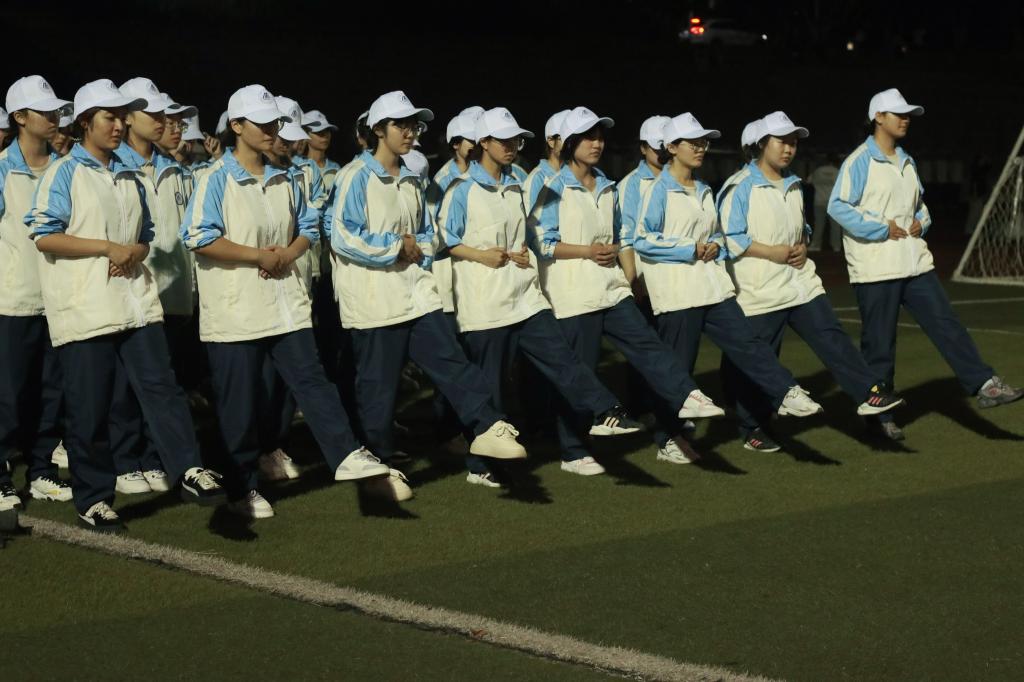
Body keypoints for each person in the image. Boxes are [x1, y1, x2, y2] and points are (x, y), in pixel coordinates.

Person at [181, 84, 390, 518]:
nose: (271, 130)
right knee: (239, 407)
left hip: (284, 305)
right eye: (261, 123)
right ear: (237, 126)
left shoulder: (287, 178)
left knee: (312, 380)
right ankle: (241, 488)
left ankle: (346, 452)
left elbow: (309, 226)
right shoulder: (215, 179)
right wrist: (258, 256)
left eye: (273, 122)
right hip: (235, 311)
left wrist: (287, 254)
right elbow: (198, 236)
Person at [28, 78, 227, 532]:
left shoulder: (127, 173)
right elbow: (44, 234)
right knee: (90, 408)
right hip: (85, 308)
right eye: (109, 118)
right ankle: (94, 498)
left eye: (121, 117)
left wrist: (134, 250)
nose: (118, 126)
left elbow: (146, 234)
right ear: (84, 122)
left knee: (162, 388)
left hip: (135, 303)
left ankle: (188, 468)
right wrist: (107, 248)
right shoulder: (65, 172)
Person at [330, 90, 528, 496]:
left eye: (413, 125)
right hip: (374, 303)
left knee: (453, 362)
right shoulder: (355, 176)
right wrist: (395, 247)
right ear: (378, 130)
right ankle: (379, 469)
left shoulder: (410, 178)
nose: (410, 132)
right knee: (379, 393)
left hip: (416, 294)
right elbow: (342, 235)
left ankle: (488, 424)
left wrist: (416, 246)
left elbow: (427, 232)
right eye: (401, 125)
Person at [440, 107, 643, 486]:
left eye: (516, 140)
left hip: (525, 296)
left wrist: (522, 252)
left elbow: (533, 235)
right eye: (503, 140)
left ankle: (604, 411)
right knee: (490, 386)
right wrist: (481, 255)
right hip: (484, 303)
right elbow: (445, 239)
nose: (512, 146)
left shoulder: (517, 185)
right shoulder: (461, 189)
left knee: (561, 356)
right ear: (483, 142)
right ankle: (479, 465)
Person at [530, 106, 726, 475]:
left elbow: (622, 235)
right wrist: (588, 251)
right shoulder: (552, 188)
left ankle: (685, 394)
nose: (597, 144)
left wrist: (628, 272)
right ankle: (573, 451)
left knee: (647, 343)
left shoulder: (607, 186)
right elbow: (542, 241)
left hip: (612, 287)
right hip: (573, 294)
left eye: (599, 137)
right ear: (569, 143)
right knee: (582, 371)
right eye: (588, 137)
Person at [828, 88, 1022, 441]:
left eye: (908, 115)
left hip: (915, 263)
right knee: (879, 347)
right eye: (898, 114)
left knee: (947, 324)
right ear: (878, 118)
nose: (905, 119)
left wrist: (923, 220)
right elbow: (838, 206)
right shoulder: (859, 161)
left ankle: (985, 384)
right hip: (876, 268)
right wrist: (880, 227)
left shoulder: (907, 160)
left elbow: (920, 206)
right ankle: (880, 415)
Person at [635, 112, 825, 457]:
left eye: (703, 142)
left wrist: (714, 246)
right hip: (678, 294)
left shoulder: (704, 189)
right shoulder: (657, 190)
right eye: (693, 143)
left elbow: (720, 236)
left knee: (747, 341)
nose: (701, 148)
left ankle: (785, 392)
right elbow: (643, 240)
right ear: (672, 147)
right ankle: (667, 438)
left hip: (713, 287)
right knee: (678, 367)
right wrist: (690, 248)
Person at [718, 111, 904, 452]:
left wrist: (803, 245)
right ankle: (752, 427)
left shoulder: (793, 183)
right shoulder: (739, 187)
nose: (789, 148)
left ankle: (869, 394)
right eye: (781, 141)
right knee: (761, 361)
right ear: (762, 144)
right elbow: (729, 237)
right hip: (759, 290)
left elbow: (800, 227)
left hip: (800, 283)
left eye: (793, 142)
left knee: (832, 336)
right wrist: (771, 252)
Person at [107, 78, 196, 494]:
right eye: (153, 114)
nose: (162, 121)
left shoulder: (174, 167)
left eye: (164, 113)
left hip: (174, 292)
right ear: (127, 118)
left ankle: (152, 456)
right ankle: (126, 460)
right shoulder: (113, 165)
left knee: (162, 384)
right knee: (125, 385)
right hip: (133, 291)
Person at [0, 75, 73, 512]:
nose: (53, 117)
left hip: (60, 299)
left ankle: (42, 470)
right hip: (12, 301)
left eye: (55, 110)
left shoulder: (66, 168)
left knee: (53, 393)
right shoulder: (2, 169)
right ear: (20, 117)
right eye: (43, 111)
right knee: (8, 395)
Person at [522, 109, 569, 214]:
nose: (571, 143)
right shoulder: (537, 179)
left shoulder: (576, 172)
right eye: (565, 137)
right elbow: (530, 221)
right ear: (551, 141)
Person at [808, 154, 841, 251]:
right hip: (833, 203)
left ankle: (816, 245)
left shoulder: (818, 171)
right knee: (835, 226)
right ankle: (836, 246)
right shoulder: (837, 171)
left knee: (819, 225)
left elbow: (808, 181)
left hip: (819, 201)